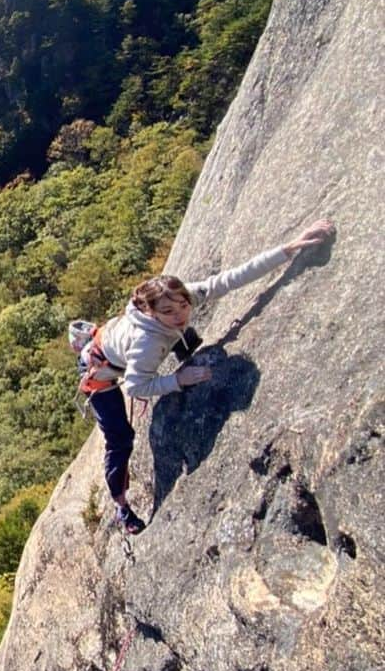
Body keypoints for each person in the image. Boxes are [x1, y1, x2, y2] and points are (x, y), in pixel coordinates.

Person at [76, 220, 334, 534]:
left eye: (183, 306)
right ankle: (121, 504)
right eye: (170, 313)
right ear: (151, 312)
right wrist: (177, 381)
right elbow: (134, 385)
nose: (181, 315)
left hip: (121, 342)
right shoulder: (146, 345)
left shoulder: (175, 300)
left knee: (185, 335)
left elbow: (230, 279)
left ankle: (183, 347)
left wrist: (289, 249)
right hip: (101, 372)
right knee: (120, 440)